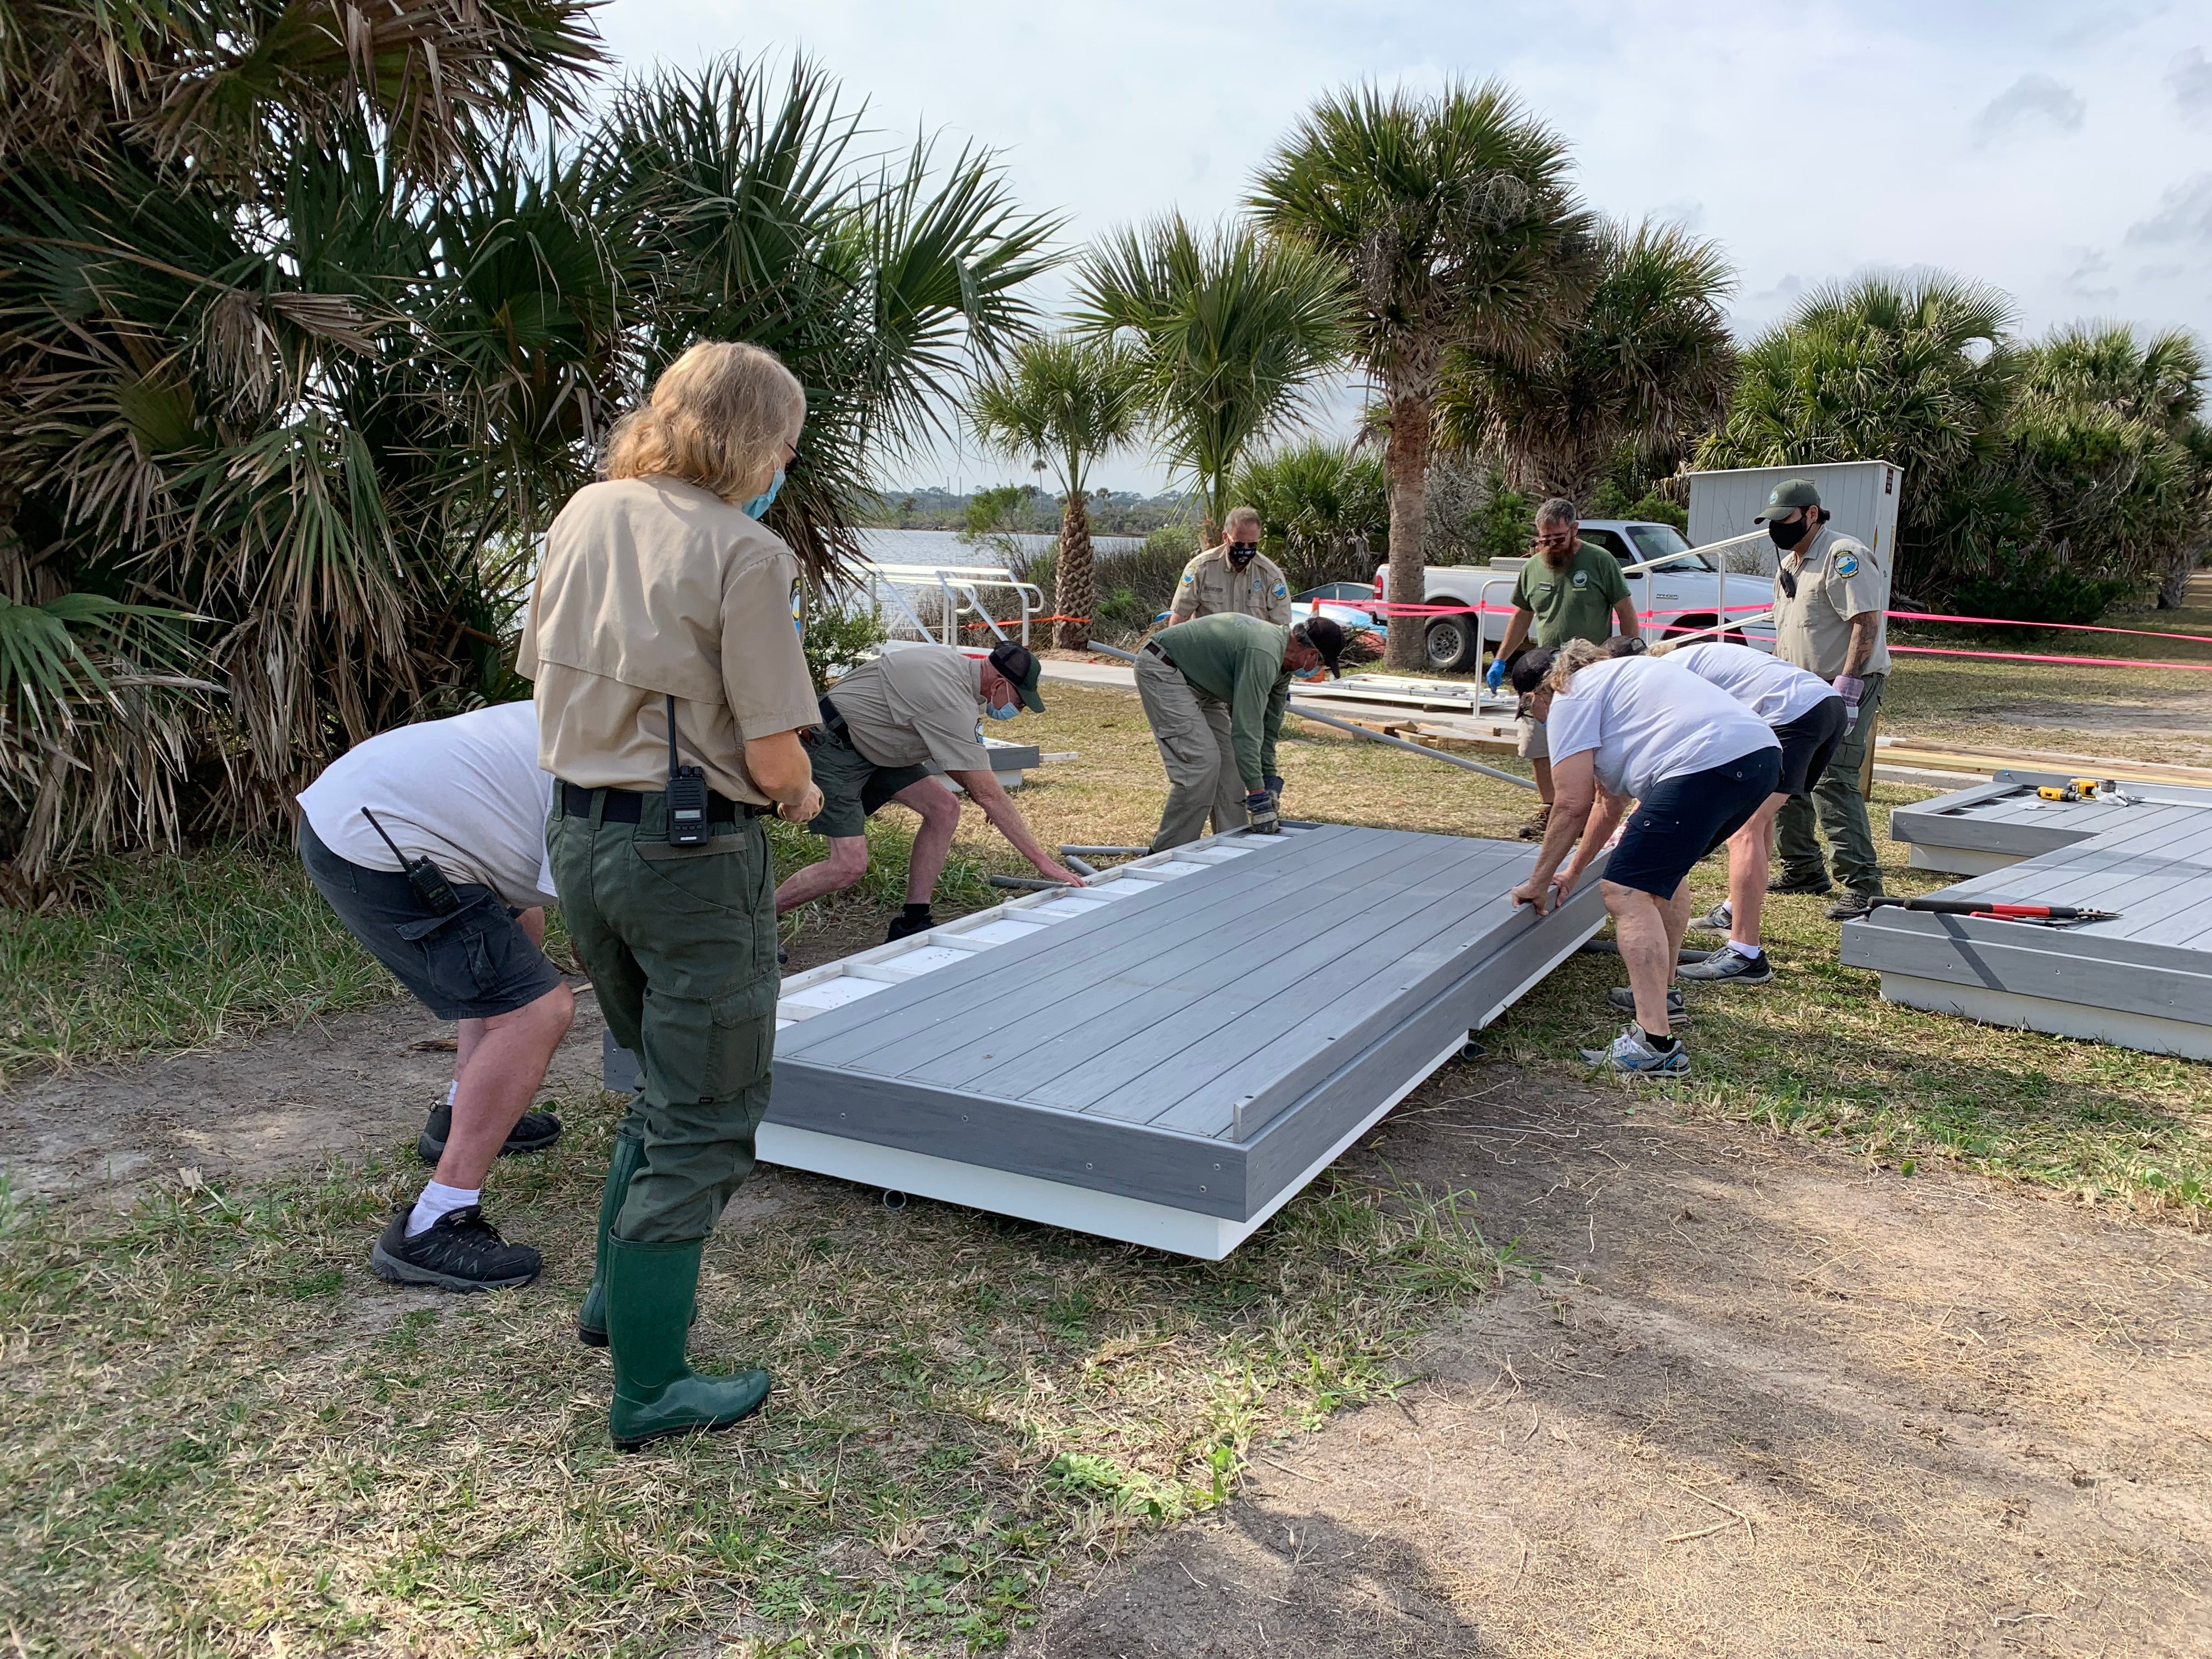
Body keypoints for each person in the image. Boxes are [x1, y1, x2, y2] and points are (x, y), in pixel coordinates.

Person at [522, 340, 826, 1451]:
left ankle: (616, 1304)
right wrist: (803, 809)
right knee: (706, 1114)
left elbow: (548, 669)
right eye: (785, 442)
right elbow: (778, 751)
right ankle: (651, 1391)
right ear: (753, 440)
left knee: (664, 1080)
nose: (787, 462)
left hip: (579, 836)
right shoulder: (745, 554)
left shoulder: (583, 513)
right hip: (691, 855)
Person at [296, 701, 573, 1292]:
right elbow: (602, 894)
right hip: (379, 842)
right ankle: (434, 1223)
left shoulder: (625, 708)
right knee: (536, 1011)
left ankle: (455, 1116)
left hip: (370, 805)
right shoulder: (627, 762)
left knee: (519, 930)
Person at [1506, 641, 1781, 1075]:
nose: (1540, 722)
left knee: (1625, 890)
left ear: (1535, 696)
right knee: (1659, 879)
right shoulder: (1619, 679)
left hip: (1705, 762)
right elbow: (1606, 803)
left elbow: (1570, 803)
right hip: (1760, 755)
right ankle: (1664, 999)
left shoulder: (1567, 696)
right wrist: (1573, 870)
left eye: (1532, 713)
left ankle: (1654, 1044)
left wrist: (1537, 882)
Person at [774, 640, 1084, 935]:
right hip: (831, 745)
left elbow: (967, 773)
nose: (1019, 710)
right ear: (1001, 684)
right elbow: (988, 792)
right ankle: (759, 926)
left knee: (944, 809)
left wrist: (982, 794)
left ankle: (913, 920)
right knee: (848, 865)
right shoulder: (951, 701)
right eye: (1020, 702)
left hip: (877, 741)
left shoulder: (958, 672)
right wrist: (1043, 863)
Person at [1656, 640, 1849, 985]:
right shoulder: (1694, 658)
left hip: (1795, 714)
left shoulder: (1666, 673)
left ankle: (1745, 953)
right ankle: (1734, 909)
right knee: (1760, 818)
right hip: (1825, 704)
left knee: (1743, 826)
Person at [1758, 478, 1891, 919]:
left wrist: (1848, 686)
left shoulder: (1843, 555)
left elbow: (1865, 621)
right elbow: (1788, 633)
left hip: (1843, 687)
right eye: (1772, 522)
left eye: (1786, 519)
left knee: (1834, 781)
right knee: (1787, 777)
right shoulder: (1791, 565)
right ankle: (1802, 868)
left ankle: (1863, 886)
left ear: (1812, 514)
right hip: (1799, 690)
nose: (1777, 529)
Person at [1483, 499, 1641, 841]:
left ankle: (1593, 813)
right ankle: (1550, 808)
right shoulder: (1533, 567)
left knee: (1592, 744)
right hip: (1541, 669)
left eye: (1557, 538)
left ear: (1574, 530)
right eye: (1544, 539)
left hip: (1591, 669)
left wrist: (1630, 656)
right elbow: (1522, 616)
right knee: (1536, 739)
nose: (1550, 546)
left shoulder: (1600, 561)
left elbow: (1626, 612)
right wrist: (1500, 659)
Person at [1137, 612, 1344, 850]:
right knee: (1201, 764)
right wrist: (1257, 797)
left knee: (1232, 765)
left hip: (1203, 684)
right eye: (1320, 665)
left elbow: (1269, 728)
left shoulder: (1283, 666)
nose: (1317, 671)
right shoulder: (1264, 654)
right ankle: (1166, 851)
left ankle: (1234, 848)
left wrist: (1268, 781)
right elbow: (1247, 729)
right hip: (1165, 669)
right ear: (1311, 654)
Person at [1166, 506, 1294, 626]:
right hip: (1210, 647)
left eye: (1252, 545)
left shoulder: (1271, 575)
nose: (1246, 549)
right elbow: (1179, 619)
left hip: (1253, 648)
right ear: (1225, 537)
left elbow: (1282, 629)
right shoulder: (1201, 569)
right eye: (1239, 544)